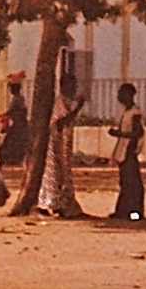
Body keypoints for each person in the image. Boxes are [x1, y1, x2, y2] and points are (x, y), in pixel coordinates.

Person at [38, 72, 85, 218]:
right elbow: (59, 123)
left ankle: (64, 204)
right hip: (56, 143)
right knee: (55, 174)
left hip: (65, 143)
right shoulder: (59, 102)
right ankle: (50, 203)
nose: (74, 88)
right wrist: (77, 109)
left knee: (64, 174)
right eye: (71, 84)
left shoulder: (67, 101)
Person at [107, 83, 145, 220]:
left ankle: (135, 212)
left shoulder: (135, 113)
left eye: (121, 93)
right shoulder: (126, 111)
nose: (118, 96)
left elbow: (138, 132)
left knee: (132, 183)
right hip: (123, 151)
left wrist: (119, 134)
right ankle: (123, 211)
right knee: (125, 182)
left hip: (129, 151)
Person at [0, 74, 29, 168]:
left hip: (18, 126)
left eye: (13, 88)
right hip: (15, 125)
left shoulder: (19, 100)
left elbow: (18, 113)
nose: (11, 90)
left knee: (6, 142)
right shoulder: (17, 99)